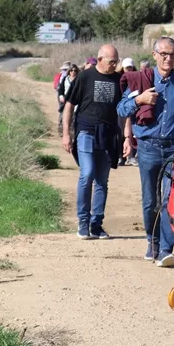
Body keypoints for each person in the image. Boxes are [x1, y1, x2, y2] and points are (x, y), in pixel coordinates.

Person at [117, 37, 174, 265]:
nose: (168, 58)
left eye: (173, 55)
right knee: (150, 201)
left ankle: (166, 249)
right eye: (164, 54)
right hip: (147, 148)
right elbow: (121, 108)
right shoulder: (141, 81)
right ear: (155, 55)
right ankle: (152, 242)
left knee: (169, 200)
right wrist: (140, 100)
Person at [62, 44, 124, 240]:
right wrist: (66, 133)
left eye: (116, 61)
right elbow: (69, 105)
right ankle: (83, 221)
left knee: (102, 181)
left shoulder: (119, 79)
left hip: (108, 134)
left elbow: (125, 109)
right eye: (111, 61)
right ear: (100, 60)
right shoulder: (85, 77)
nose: (114, 65)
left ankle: (96, 224)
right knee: (86, 173)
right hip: (86, 131)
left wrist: (126, 137)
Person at [57, 64, 80, 135]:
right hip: (66, 99)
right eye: (71, 70)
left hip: (75, 100)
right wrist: (61, 96)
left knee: (74, 116)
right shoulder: (65, 79)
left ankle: (72, 131)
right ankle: (61, 130)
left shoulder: (79, 79)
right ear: (69, 71)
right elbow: (61, 89)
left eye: (75, 70)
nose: (73, 72)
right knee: (63, 114)